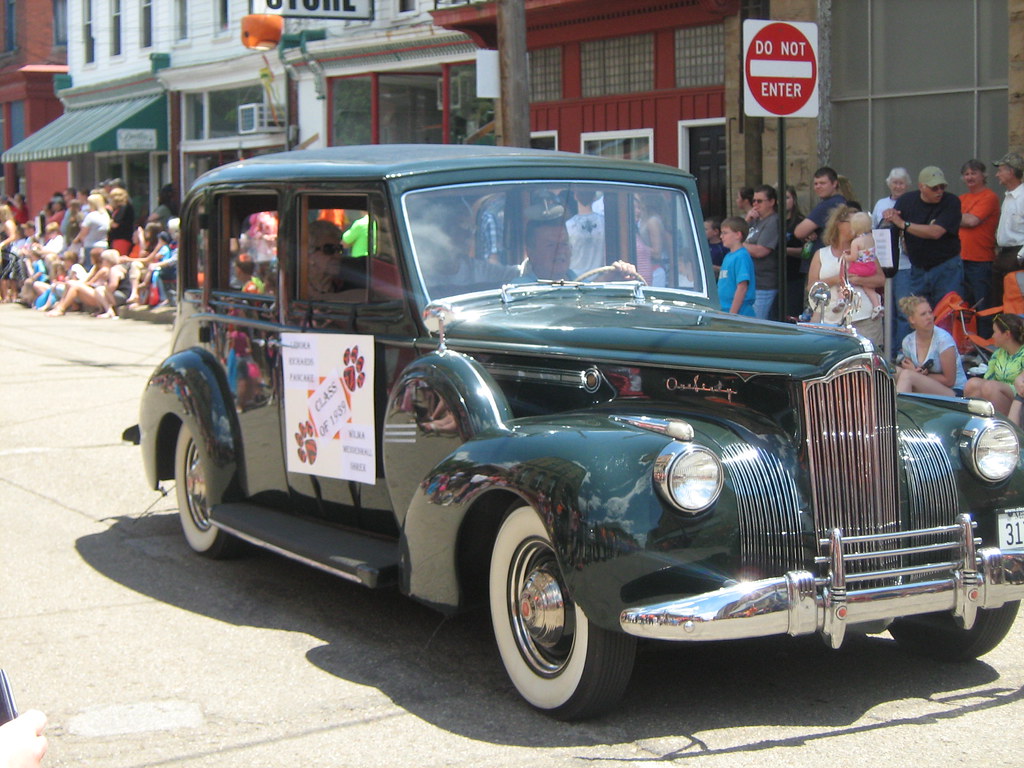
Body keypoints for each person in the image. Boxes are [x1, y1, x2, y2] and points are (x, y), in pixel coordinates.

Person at [883, 165, 963, 318]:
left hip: (945, 267)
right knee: (917, 312)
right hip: (918, 267)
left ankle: (945, 341)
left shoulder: (951, 202)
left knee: (947, 312)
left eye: (942, 187)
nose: (939, 191)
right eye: (934, 188)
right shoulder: (907, 200)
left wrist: (904, 224)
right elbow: (894, 217)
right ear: (921, 187)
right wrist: (890, 214)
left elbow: (936, 232)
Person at [806, 204, 885, 349]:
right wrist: (837, 279)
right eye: (852, 221)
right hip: (830, 319)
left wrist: (858, 279)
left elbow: (880, 279)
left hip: (863, 318)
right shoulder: (821, 254)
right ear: (838, 224)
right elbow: (812, 286)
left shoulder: (864, 250)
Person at [895, 295, 966, 396]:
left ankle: (899, 410)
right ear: (912, 319)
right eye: (923, 314)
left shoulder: (943, 340)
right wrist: (914, 372)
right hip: (927, 386)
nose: (929, 317)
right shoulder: (908, 341)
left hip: (954, 391)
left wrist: (920, 375)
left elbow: (950, 381)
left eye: (930, 312)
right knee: (895, 372)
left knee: (907, 376)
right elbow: (912, 370)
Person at [958, 159, 1000, 319]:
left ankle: (985, 342)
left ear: (983, 175)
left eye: (973, 173)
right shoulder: (961, 198)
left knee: (983, 306)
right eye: (966, 174)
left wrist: (952, 217)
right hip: (960, 259)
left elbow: (972, 221)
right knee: (963, 306)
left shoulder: (989, 197)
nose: (970, 177)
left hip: (981, 260)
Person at [964, 312, 1024, 415]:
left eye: (995, 332)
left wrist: (996, 386)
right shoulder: (998, 354)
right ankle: (976, 422)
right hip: (998, 393)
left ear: (1007, 334)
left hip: (1019, 396)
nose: (992, 336)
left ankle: (1003, 426)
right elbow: (988, 378)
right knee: (972, 384)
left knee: (991, 387)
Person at [991, 152, 1024, 309]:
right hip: (1004, 255)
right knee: (999, 301)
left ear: (1011, 172)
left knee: (1016, 302)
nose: (997, 174)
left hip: (1017, 256)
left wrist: (1019, 257)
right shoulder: (1008, 197)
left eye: (1001, 170)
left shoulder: (1022, 197)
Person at [743, 184, 781, 319]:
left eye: (759, 201)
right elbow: (736, 233)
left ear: (771, 202)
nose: (755, 205)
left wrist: (739, 244)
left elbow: (761, 251)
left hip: (764, 284)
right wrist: (746, 221)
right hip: (750, 282)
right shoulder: (755, 221)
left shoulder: (773, 221)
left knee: (755, 322)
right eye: (754, 201)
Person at [794, 166, 847, 256]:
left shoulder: (829, 204)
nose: (818, 186)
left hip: (822, 258)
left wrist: (807, 231)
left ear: (834, 184)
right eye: (816, 184)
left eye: (822, 183)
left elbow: (799, 232)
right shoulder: (841, 201)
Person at [845, 211, 883, 316]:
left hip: (860, 268)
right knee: (868, 288)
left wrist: (846, 257)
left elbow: (854, 257)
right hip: (871, 267)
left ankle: (841, 299)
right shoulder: (871, 238)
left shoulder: (856, 242)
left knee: (845, 279)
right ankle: (877, 305)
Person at [717, 216, 756, 316]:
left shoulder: (741, 257)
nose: (721, 236)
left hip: (739, 313)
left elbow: (742, 287)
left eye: (725, 233)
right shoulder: (728, 256)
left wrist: (732, 314)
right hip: (724, 310)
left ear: (738, 235)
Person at [566, 188, 605, 275]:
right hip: (598, 278)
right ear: (594, 197)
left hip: (575, 279)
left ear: (575, 197)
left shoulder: (568, 225)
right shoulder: (604, 222)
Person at [72, 193, 111, 271]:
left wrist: (76, 240)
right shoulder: (106, 215)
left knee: (90, 268)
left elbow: (84, 232)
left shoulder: (91, 216)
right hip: (103, 245)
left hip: (90, 245)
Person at [107, 187, 136, 256]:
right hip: (117, 238)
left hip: (121, 238)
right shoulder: (119, 208)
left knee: (118, 258)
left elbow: (116, 224)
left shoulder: (124, 207)